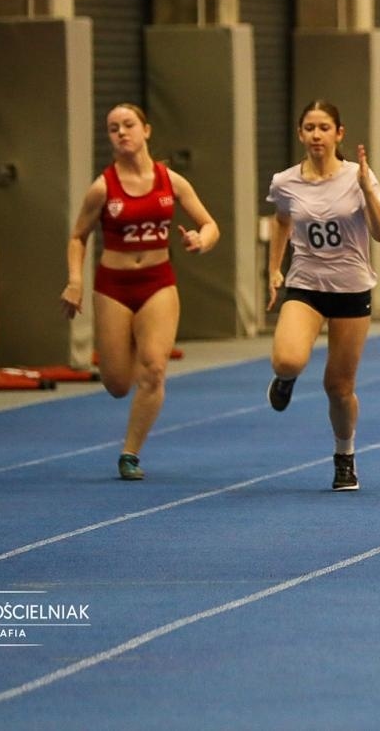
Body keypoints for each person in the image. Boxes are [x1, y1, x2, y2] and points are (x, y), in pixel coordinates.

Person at [61, 104, 219, 480]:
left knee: (154, 369)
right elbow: (77, 236)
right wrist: (75, 281)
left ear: (146, 130)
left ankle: (130, 453)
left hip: (157, 282)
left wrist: (202, 240)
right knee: (117, 383)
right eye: (113, 128)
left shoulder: (171, 181)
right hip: (114, 286)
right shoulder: (103, 187)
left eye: (128, 125)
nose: (121, 133)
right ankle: (129, 346)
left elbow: (210, 223)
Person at [265, 101, 380, 493]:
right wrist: (274, 268)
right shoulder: (285, 182)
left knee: (338, 388)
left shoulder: (360, 177)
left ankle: (345, 456)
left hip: (351, 289)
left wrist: (367, 190)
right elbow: (282, 220)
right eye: (309, 128)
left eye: (324, 128)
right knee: (286, 359)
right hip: (306, 285)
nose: (316, 135)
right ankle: (284, 380)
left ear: (339, 133)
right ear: (300, 134)